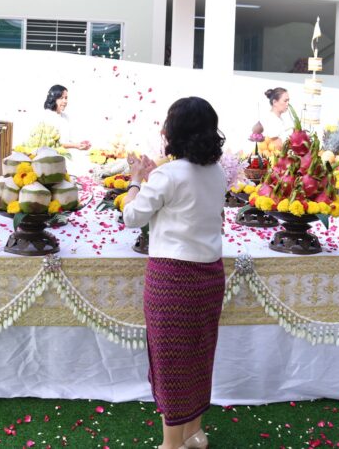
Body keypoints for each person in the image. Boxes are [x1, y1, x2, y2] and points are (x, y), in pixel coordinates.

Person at [122, 97, 227, 449]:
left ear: (174, 131)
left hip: (172, 278)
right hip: (210, 275)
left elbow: (132, 216)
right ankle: (194, 433)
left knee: (171, 360)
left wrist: (136, 180)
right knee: (199, 355)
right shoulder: (217, 172)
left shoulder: (168, 174)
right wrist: (154, 176)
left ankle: (171, 444)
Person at [39, 84, 90, 150]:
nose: (65, 101)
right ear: (53, 99)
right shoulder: (47, 116)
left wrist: (81, 144)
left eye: (66, 98)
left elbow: (68, 140)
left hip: (64, 154)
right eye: (61, 98)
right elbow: (50, 144)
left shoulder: (65, 117)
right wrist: (75, 145)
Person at [256, 87, 292, 154]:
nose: (287, 104)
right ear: (275, 102)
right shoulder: (271, 119)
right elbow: (277, 145)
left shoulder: (277, 119)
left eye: (288, 101)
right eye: (285, 101)